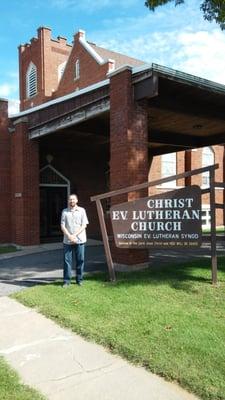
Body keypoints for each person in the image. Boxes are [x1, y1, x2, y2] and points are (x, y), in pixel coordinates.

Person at [61, 194, 89, 287]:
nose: (71, 201)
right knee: (67, 261)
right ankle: (66, 281)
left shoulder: (82, 210)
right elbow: (62, 226)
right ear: (68, 201)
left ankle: (79, 280)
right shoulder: (64, 211)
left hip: (80, 240)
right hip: (67, 241)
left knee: (80, 260)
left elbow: (84, 225)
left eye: (73, 199)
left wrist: (74, 235)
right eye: (70, 200)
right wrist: (69, 236)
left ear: (77, 200)